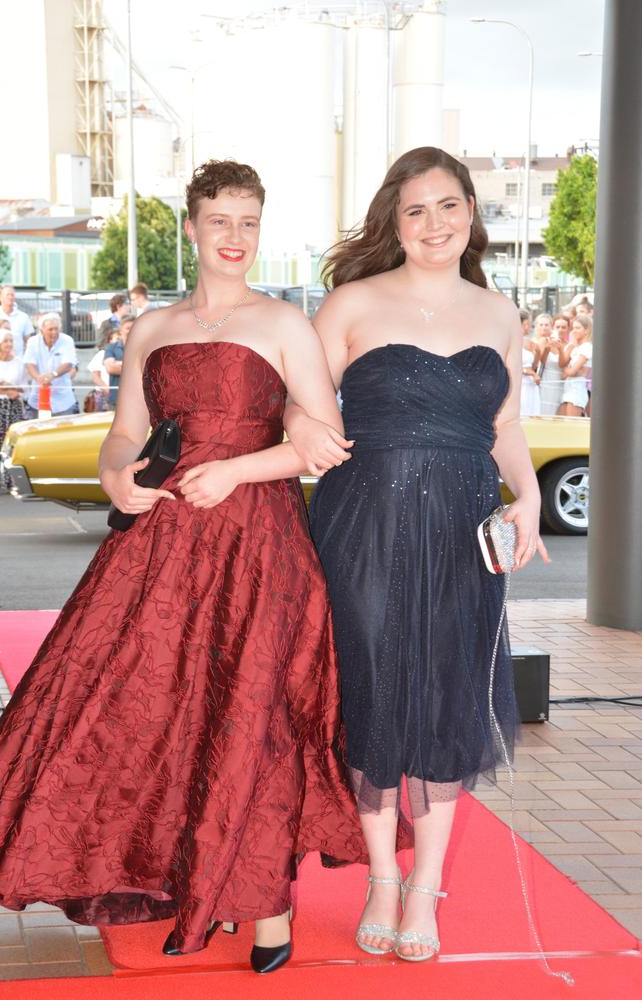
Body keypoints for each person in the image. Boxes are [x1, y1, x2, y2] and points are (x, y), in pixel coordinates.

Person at [0, 159, 375, 975]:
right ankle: (172, 873)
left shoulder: (284, 324)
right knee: (142, 708)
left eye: (249, 222)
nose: (234, 237)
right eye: (220, 221)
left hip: (257, 544)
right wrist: (114, 476)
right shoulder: (154, 329)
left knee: (253, 719)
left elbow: (324, 442)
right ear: (192, 228)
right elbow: (126, 431)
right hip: (161, 543)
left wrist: (237, 470)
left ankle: (267, 906)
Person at [285, 146, 549, 962]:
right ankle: (380, 878)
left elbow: (504, 428)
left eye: (448, 205)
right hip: (362, 526)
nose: (435, 223)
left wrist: (531, 497)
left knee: (444, 699)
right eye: (415, 210)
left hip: (464, 530)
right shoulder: (350, 303)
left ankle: (425, 890)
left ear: (472, 210)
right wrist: (304, 432)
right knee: (370, 690)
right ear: (393, 222)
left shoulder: (499, 312)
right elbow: (300, 409)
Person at [23, 313, 78, 418]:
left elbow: (68, 363)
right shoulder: (33, 342)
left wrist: (53, 375)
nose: (54, 332)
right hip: (37, 398)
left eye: (56, 329)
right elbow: (29, 364)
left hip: (63, 400)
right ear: (42, 330)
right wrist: (39, 378)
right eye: (50, 329)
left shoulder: (67, 340)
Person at [0, 322, 25, 494]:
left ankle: (13, 482)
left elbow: (23, 388)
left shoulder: (18, 362)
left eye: (11, 341)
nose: (9, 344)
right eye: (6, 341)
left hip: (14, 406)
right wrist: (6, 389)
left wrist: (10, 386)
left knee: (14, 444)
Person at [534, 312, 569, 415]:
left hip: (561, 382)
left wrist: (560, 348)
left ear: (568, 329)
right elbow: (541, 361)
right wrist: (548, 348)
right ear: (553, 327)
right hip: (546, 381)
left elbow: (563, 364)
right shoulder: (544, 340)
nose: (560, 330)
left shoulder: (569, 346)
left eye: (564, 327)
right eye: (558, 327)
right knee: (544, 411)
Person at [558, 314, 592, 416]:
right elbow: (563, 364)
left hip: (577, 390)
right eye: (573, 328)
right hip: (568, 389)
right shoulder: (576, 346)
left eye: (578, 328)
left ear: (586, 330)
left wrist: (567, 372)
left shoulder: (587, 347)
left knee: (571, 425)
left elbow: (572, 371)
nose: (574, 331)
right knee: (562, 423)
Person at [0, 285, 34, 357]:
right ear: (0, 297)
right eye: (7, 295)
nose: (10, 297)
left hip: (17, 362)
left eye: (12, 295)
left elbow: (29, 342)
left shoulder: (23, 317)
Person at [104, 314, 135, 407]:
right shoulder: (111, 348)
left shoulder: (144, 348)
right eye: (128, 328)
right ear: (121, 330)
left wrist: (120, 364)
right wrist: (135, 367)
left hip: (138, 401)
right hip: (116, 400)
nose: (131, 331)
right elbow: (110, 368)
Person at [86, 324, 119, 412]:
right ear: (110, 340)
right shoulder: (101, 354)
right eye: (117, 339)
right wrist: (107, 390)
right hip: (103, 395)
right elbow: (95, 376)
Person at [519, 308, 541, 416]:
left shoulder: (529, 342)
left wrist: (538, 353)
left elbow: (533, 366)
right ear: (525, 323)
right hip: (520, 384)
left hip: (531, 384)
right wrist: (532, 373)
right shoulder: (513, 341)